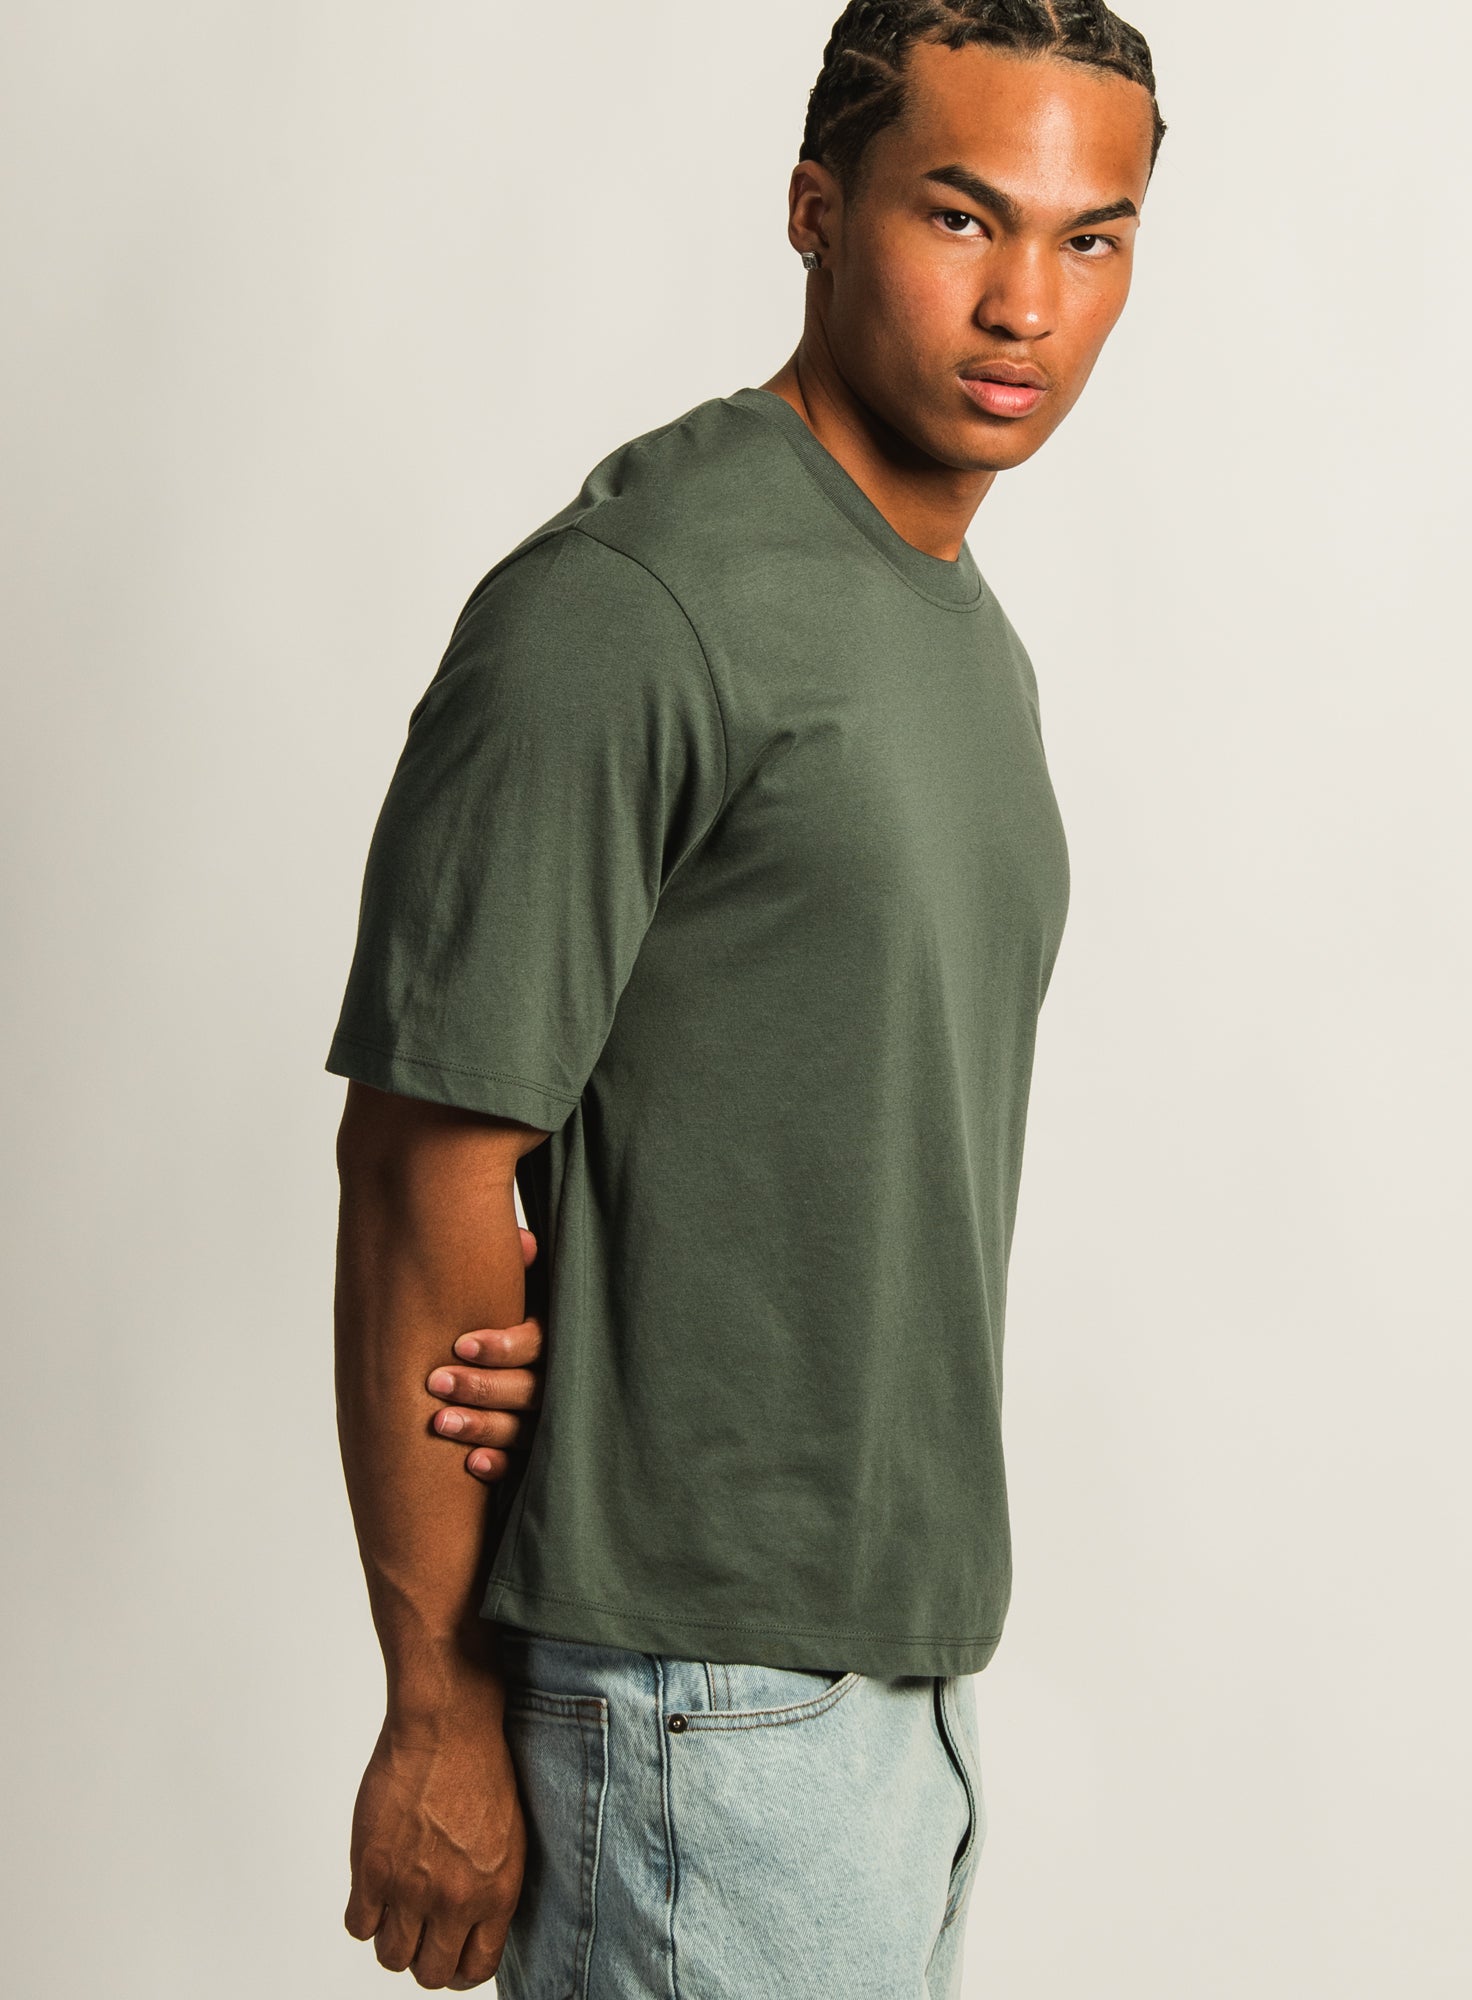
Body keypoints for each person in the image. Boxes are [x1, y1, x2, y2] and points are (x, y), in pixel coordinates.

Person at [325, 4, 1167, 1992]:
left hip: (890, 1685)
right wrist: (437, 1700)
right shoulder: (635, 605)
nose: (1026, 303)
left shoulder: (961, 638)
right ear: (815, 208)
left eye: (1090, 238)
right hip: (687, 1700)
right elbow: (423, 1156)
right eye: (962, 215)